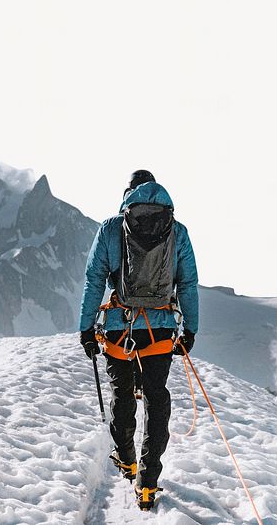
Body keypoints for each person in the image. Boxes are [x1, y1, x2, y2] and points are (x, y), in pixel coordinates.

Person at [78, 169, 199, 509]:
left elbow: (94, 279)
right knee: (157, 398)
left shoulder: (111, 228)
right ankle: (148, 482)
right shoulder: (177, 231)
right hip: (159, 329)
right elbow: (187, 283)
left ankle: (127, 459)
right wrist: (190, 329)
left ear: (128, 194)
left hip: (120, 325)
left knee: (121, 393)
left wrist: (87, 328)